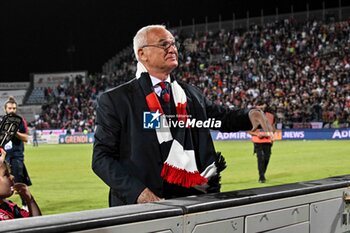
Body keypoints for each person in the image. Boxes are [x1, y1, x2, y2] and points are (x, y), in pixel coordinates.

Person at [92, 25, 274, 206]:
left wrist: (249, 115)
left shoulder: (190, 94)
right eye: (164, 44)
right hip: (140, 207)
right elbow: (101, 158)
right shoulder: (116, 100)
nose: (172, 49)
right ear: (142, 54)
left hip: (190, 201)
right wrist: (139, 193)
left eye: (173, 44)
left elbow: (221, 117)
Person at [3, 96, 32, 208]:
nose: (12, 110)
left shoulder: (20, 121)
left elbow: (25, 138)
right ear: (5, 109)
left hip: (17, 155)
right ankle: (3, 205)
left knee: (18, 179)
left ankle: (25, 204)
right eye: (10, 108)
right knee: (2, 181)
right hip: (4, 156)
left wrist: (15, 132)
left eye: (14, 108)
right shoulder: (1, 121)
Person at [0, 148, 41, 220]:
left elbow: (37, 225)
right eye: (6, 174)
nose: (12, 177)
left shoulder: (10, 207)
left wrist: (30, 200)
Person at [248, 101, 276, 183]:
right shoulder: (251, 115)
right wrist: (257, 134)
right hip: (257, 140)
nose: (261, 107)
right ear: (256, 106)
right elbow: (249, 131)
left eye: (263, 105)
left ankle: (262, 173)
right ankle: (261, 177)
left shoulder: (271, 116)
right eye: (259, 105)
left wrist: (270, 134)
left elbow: (273, 128)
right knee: (260, 158)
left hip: (267, 140)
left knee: (267, 158)